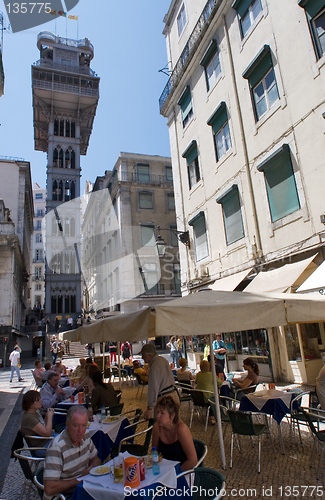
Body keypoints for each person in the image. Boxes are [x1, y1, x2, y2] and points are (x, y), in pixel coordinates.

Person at [44, 405, 100, 500]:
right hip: (63, 496)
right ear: (67, 424)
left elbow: (95, 458)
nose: (80, 431)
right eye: (75, 425)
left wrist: (92, 469)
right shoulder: (57, 447)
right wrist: (79, 479)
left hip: (83, 490)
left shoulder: (85, 435)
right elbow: (49, 488)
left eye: (83, 425)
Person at [152, 395, 197, 471]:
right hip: (165, 470)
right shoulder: (157, 427)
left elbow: (192, 461)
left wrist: (175, 474)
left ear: (172, 415)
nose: (158, 416)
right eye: (157, 412)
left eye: (162, 413)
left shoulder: (181, 429)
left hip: (183, 471)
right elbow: (154, 452)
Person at [141, 343, 178, 421]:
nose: (142, 357)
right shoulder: (163, 360)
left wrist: (150, 408)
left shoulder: (154, 367)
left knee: (162, 427)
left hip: (164, 399)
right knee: (174, 424)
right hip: (174, 395)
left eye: (143, 355)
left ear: (149, 356)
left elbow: (153, 387)